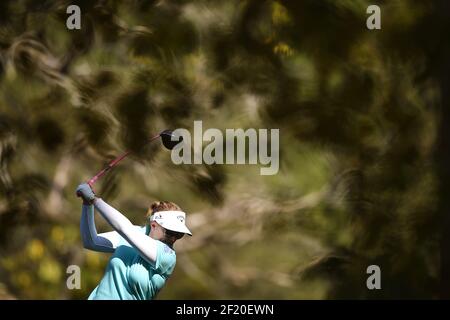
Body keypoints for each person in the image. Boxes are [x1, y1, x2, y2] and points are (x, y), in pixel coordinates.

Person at [76, 183, 192, 300]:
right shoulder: (134, 233)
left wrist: (94, 199)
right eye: (170, 232)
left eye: (179, 234)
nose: (173, 238)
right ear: (153, 225)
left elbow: (125, 229)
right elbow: (91, 241)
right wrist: (87, 204)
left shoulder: (167, 256)